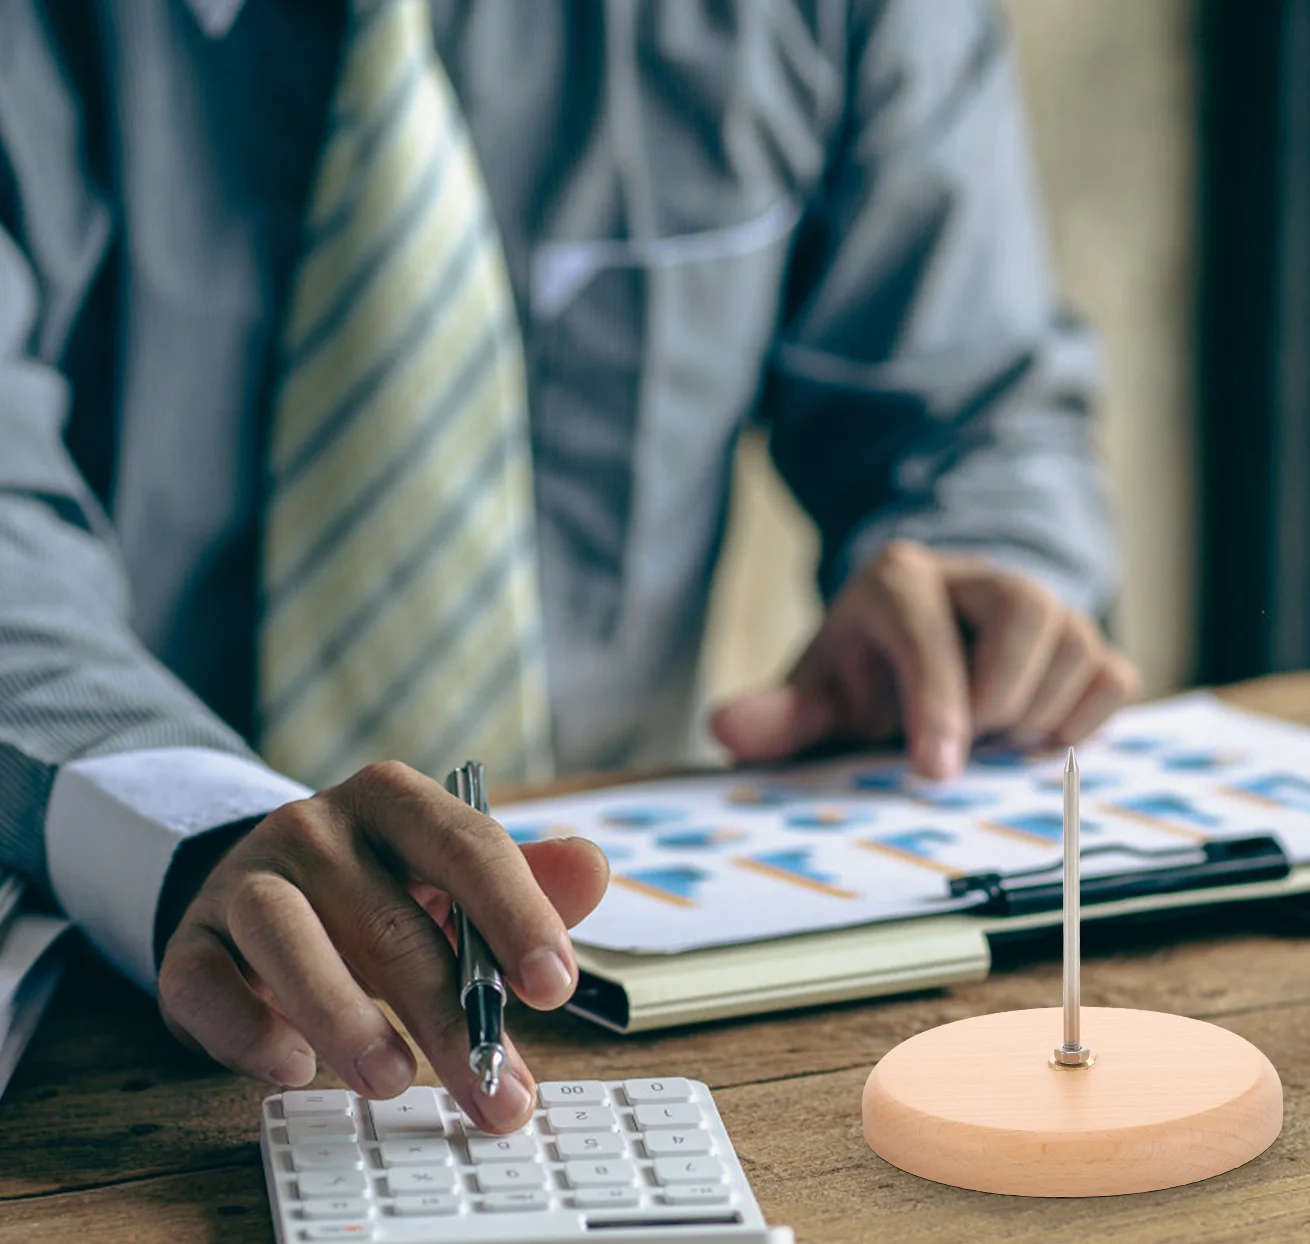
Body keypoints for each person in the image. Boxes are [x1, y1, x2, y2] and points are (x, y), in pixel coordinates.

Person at [0, 0, 1138, 1132]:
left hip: (626, 964)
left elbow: (979, 410)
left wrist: (969, 583)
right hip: (94, 1011)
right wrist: (195, 822)